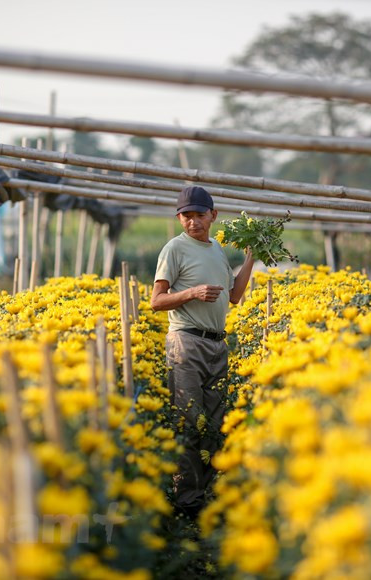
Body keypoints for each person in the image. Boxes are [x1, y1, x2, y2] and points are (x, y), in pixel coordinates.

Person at [151, 185, 255, 519]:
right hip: (187, 342)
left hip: (216, 343)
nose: (193, 222)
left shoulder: (217, 249)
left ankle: (207, 495)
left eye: (199, 214)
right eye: (186, 215)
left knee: (213, 422)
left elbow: (235, 296)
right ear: (179, 218)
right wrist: (192, 292)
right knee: (188, 420)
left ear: (214, 215)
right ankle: (187, 501)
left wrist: (252, 258)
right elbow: (156, 301)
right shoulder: (174, 249)